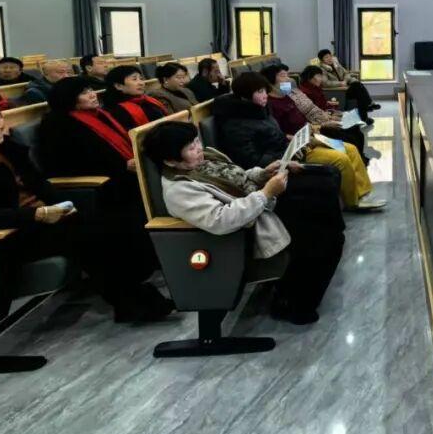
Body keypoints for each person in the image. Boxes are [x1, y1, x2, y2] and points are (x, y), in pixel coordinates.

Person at [0, 97, 169, 322]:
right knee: (91, 236)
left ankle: (140, 296)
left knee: (123, 220)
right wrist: (35, 215)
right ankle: (132, 304)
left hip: (42, 219)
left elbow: (39, 184)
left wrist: (64, 206)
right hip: (5, 234)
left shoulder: (6, 148)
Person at [145, 121, 344, 324]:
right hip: (248, 230)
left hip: (259, 205)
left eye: (197, 141)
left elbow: (238, 177)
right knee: (325, 237)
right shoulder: (179, 190)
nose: (198, 149)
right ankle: (292, 305)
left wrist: (264, 174)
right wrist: (266, 193)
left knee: (322, 195)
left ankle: (293, 290)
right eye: (190, 148)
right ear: (170, 161)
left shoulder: (205, 159)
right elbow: (221, 220)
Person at [38, 77, 173, 321]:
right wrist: (121, 167)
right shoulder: (57, 125)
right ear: (68, 99)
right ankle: (133, 295)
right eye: (84, 93)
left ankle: (146, 276)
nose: (92, 95)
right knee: (115, 226)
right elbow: (63, 166)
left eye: (91, 90)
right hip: (94, 191)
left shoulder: (101, 115)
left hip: (119, 180)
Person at [212, 72, 384, 211]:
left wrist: (294, 139)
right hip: (287, 158)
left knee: (350, 148)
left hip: (295, 147)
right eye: (259, 92)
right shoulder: (236, 125)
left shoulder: (261, 111)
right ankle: (352, 202)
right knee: (341, 159)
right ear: (245, 96)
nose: (264, 95)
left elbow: (276, 134)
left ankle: (362, 193)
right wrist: (287, 153)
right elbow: (252, 159)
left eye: (264, 90)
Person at [293, 65, 368, 155]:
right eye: (319, 76)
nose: (321, 79)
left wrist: (329, 106)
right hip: (321, 124)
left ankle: (360, 156)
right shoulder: (305, 93)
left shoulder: (316, 88)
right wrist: (331, 117)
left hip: (327, 116)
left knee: (356, 128)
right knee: (352, 133)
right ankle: (356, 155)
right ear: (310, 78)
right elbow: (313, 114)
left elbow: (322, 106)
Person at [316, 49, 378, 123]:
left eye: (330, 56)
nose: (329, 58)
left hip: (346, 88)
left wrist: (345, 81)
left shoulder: (336, 65)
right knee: (358, 87)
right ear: (322, 60)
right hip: (338, 92)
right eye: (326, 57)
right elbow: (326, 83)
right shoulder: (321, 70)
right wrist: (340, 83)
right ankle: (368, 106)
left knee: (359, 90)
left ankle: (365, 116)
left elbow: (346, 73)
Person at [101, 64, 168, 130]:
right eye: (134, 79)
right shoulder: (117, 111)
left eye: (141, 79)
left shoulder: (148, 100)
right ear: (119, 86)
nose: (141, 83)